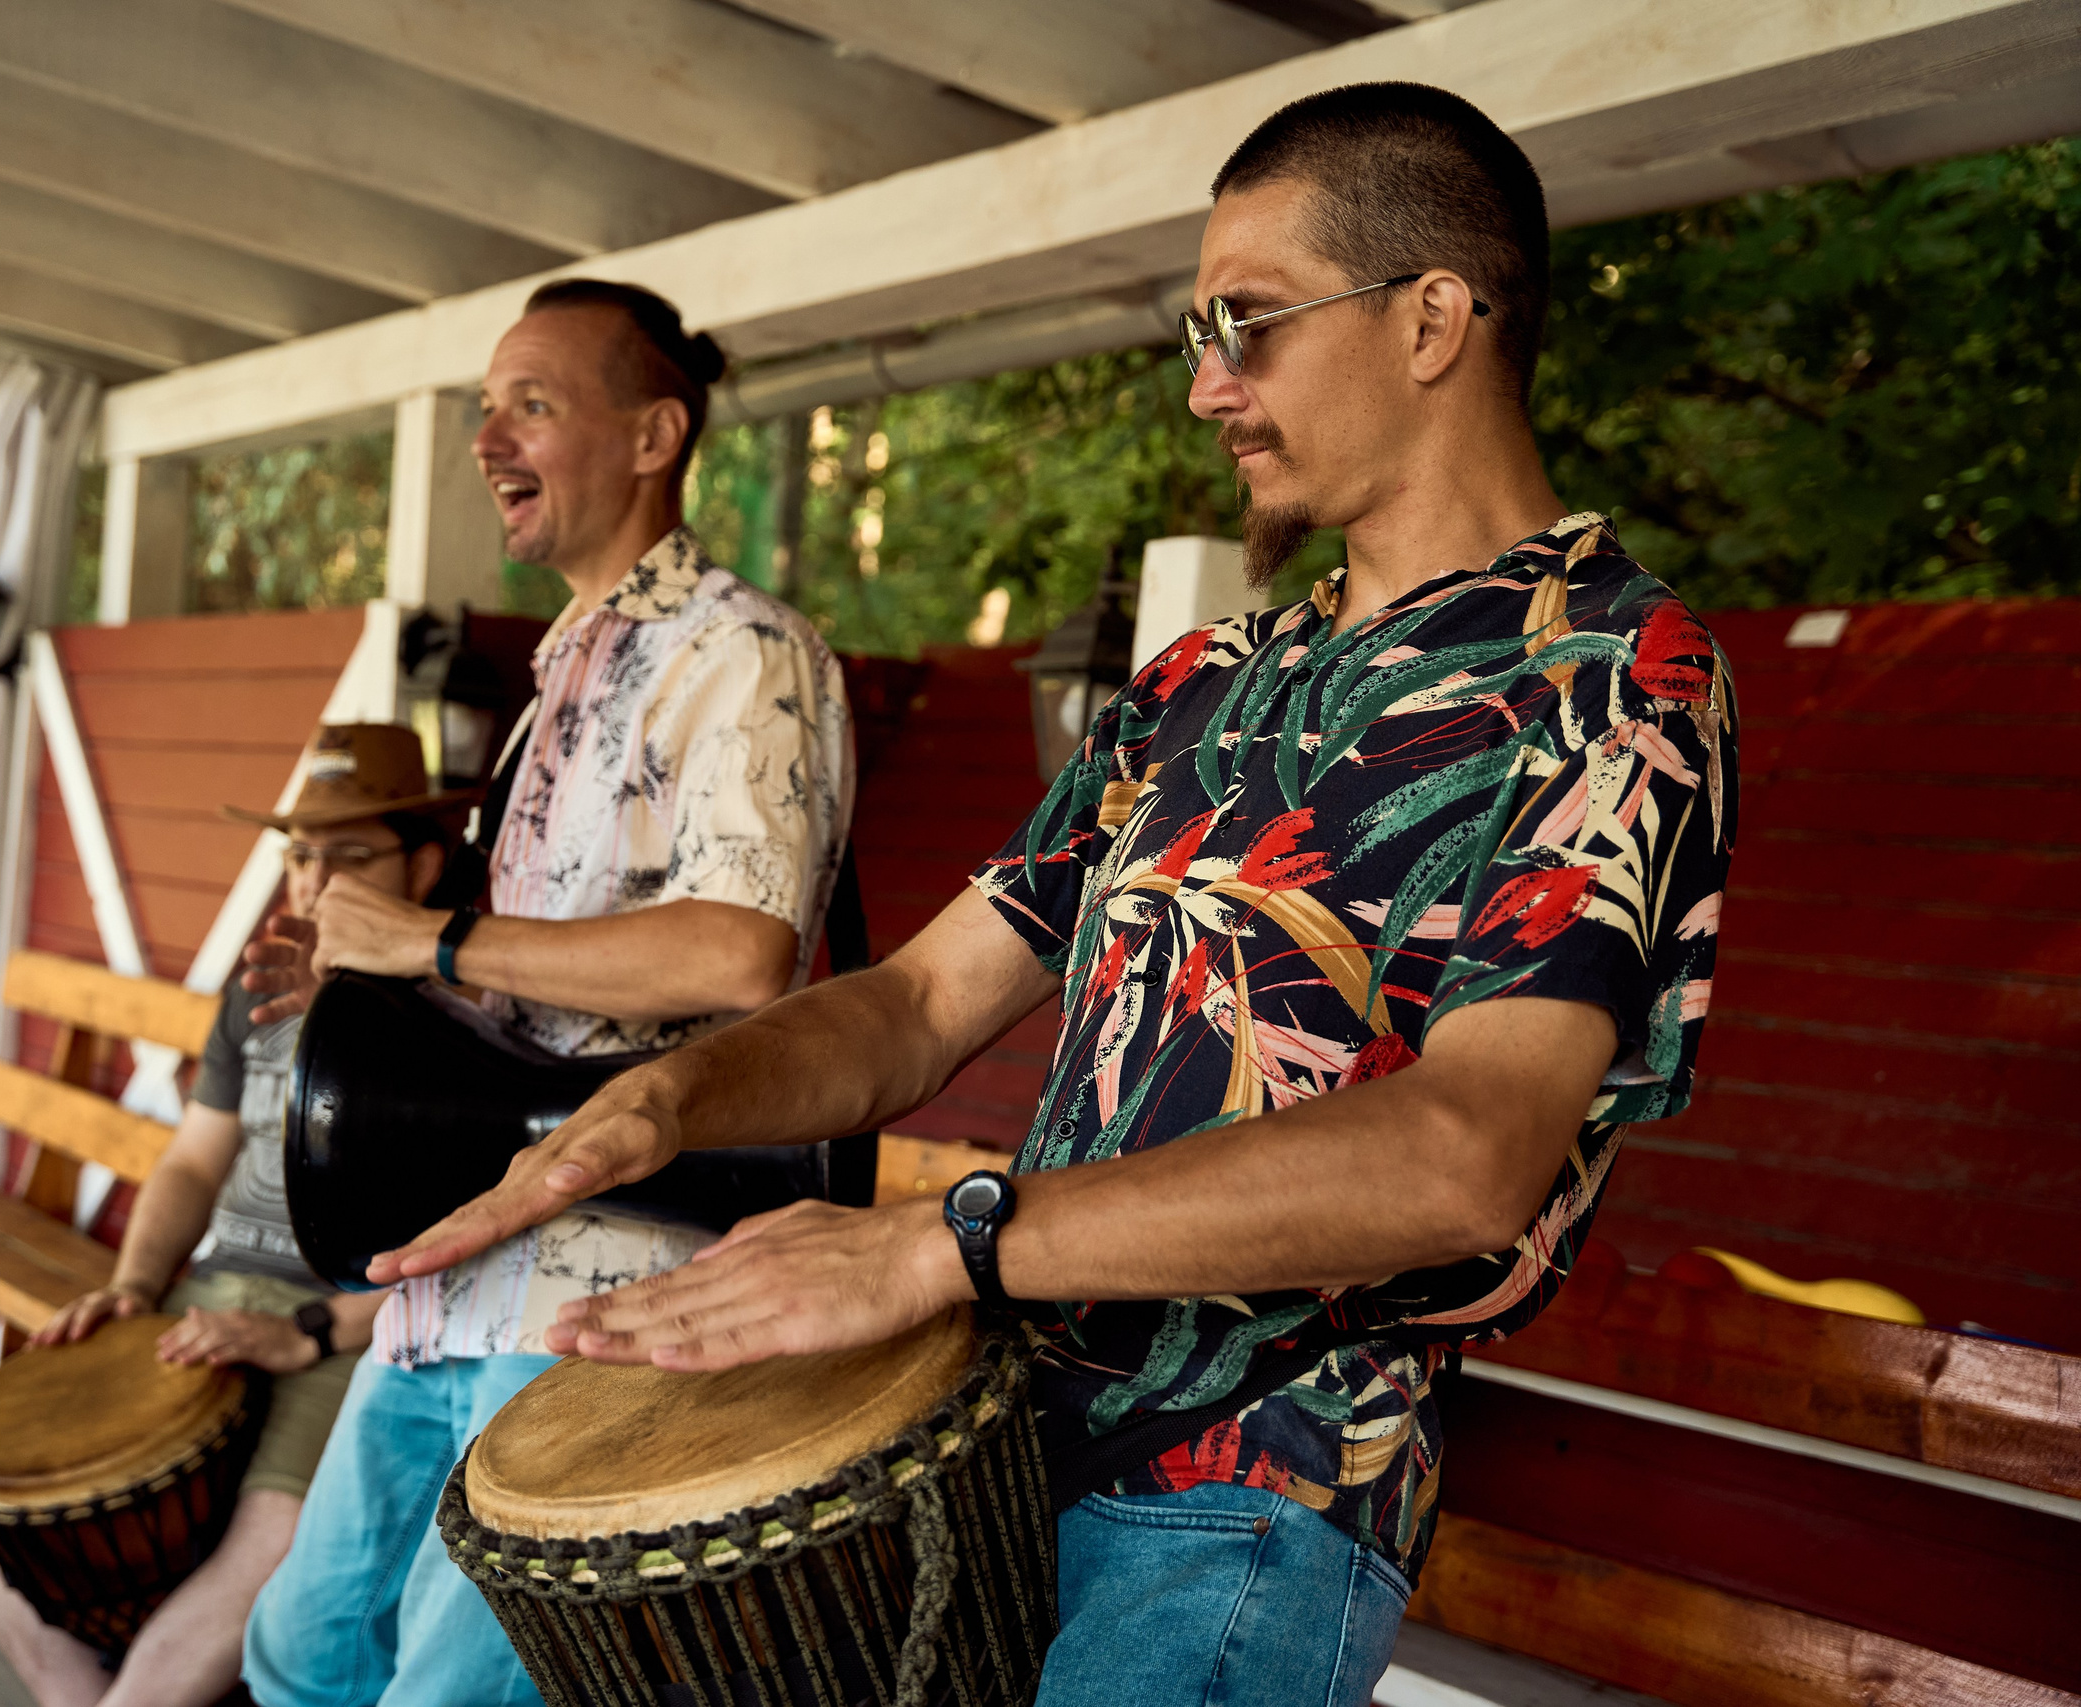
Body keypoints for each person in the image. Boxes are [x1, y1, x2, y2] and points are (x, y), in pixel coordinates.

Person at [371, 84, 1739, 1707]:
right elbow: (920, 999)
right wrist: (662, 1100)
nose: (1208, 388)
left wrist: (953, 1243)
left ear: (1435, 317)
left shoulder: (1610, 675)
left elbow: (1468, 1154)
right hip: (1000, 1445)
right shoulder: (1206, 678)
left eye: (1250, 323)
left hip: (1250, 1497)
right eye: (1195, 331)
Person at [240, 280, 854, 1707]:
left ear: (653, 434)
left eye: (531, 403)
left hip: (609, 1297)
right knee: (301, 1657)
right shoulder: (555, 670)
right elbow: (527, 993)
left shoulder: (744, 650)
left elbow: (739, 952)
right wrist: (368, 986)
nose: (487, 438)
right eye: (480, 410)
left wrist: (438, 943)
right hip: (453, 1269)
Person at [0, 722, 469, 1707]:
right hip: (206, 1293)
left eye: (348, 856)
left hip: (351, 1327)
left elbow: (460, 1248)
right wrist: (134, 1288)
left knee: (267, 1543)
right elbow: (192, 1160)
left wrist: (305, 1330)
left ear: (424, 862)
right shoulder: (260, 987)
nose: (313, 882)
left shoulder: (454, 1017)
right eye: (300, 856)